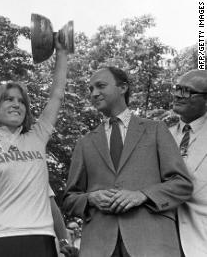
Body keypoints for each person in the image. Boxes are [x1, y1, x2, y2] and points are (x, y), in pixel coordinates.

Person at [63, 66, 193, 257]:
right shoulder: (85, 143)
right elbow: (69, 199)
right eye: (90, 89)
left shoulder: (156, 129)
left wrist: (142, 195)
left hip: (153, 243)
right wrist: (90, 198)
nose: (94, 93)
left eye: (100, 86)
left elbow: (182, 184)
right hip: (99, 247)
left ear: (122, 88)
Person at [0, 38, 69, 257]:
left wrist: (61, 53)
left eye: (21, 101)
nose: (16, 104)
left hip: (40, 235)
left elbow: (57, 95)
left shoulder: (37, 136)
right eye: (9, 100)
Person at [169, 69, 207, 257]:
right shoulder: (162, 135)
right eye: (177, 89)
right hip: (162, 242)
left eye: (187, 91)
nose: (178, 95)